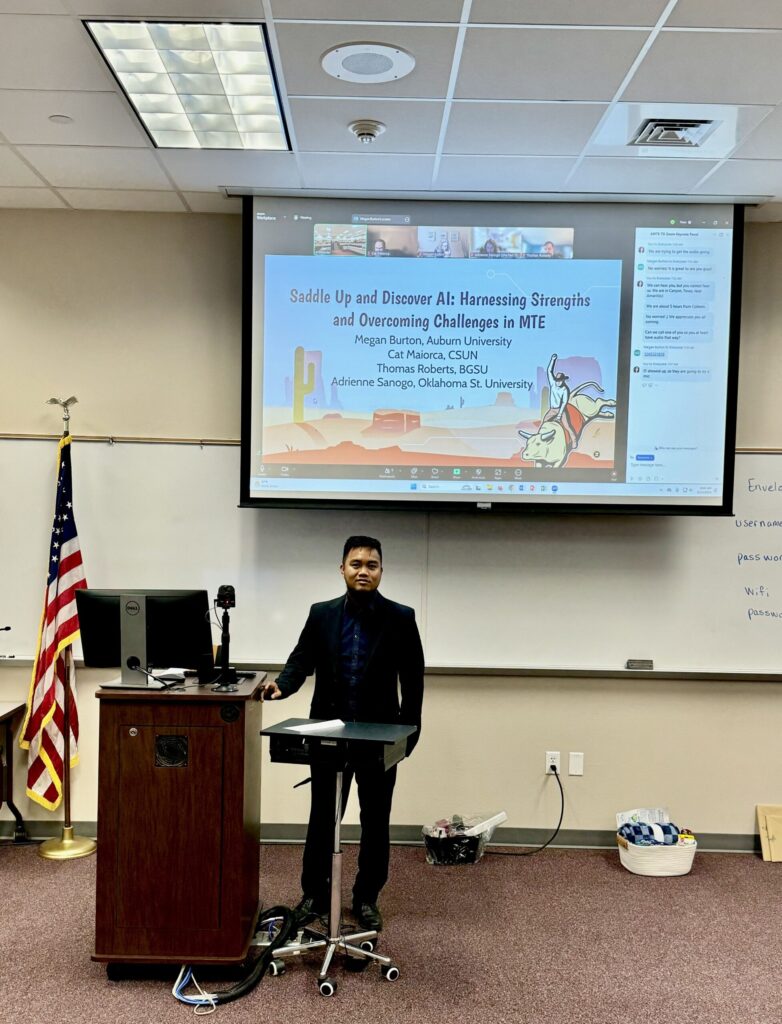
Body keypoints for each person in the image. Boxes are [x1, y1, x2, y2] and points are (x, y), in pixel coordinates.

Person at [262, 535, 424, 932]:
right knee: (323, 817)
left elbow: (413, 681)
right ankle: (314, 894)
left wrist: (408, 734)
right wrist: (282, 685)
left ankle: (366, 897)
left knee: (376, 819)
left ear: (381, 571)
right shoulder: (322, 614)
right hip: (328, 737)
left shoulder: (401, 617)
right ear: (342, 569)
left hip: (379, 739)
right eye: (356, 564)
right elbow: (300, 661)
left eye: (371, 565)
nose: (363, 571)